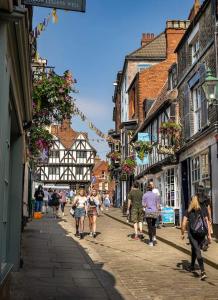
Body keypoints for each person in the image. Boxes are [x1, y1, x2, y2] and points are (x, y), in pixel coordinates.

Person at [181, 195, 211, 280]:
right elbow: (207, 222)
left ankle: (203, 271)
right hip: (201, 233)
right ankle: (192, 266)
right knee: (194, 249)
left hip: (192, 234)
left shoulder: (188, 211)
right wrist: (209, 235)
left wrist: (182, 233)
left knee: (197, 250)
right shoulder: (203, 209)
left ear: (191, 202)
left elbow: (183, 224)